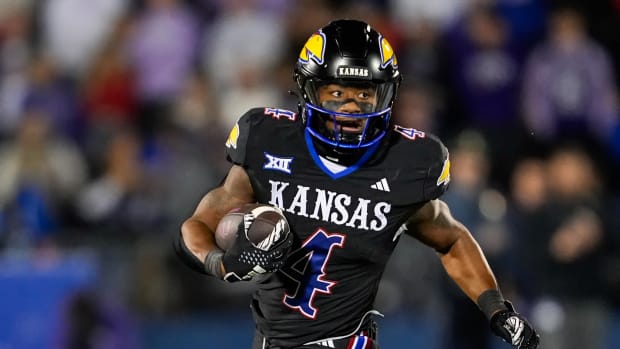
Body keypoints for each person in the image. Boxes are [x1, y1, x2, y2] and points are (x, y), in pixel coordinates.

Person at [175, 19, 539, 349]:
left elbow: (452, 238)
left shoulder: (406, 162)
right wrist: (220, 264)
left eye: (365, 94)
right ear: (309, 90)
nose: (351, 107)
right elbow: (198, 225)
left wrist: (497, 309)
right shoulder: (268, 139)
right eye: (337, 94)